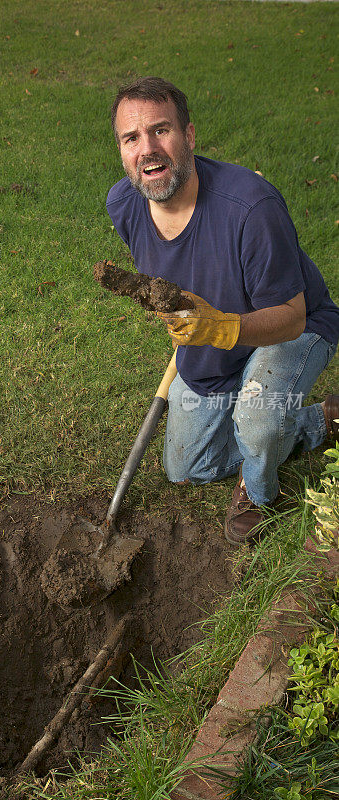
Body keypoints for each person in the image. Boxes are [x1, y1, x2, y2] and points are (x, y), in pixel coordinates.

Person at [106, 76, 339, 544]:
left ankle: (259, 490)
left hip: (293, 326)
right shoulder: (125, 204)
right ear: (121, 150)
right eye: (131, 138)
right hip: (215, 333)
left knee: (256, 420)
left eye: (160, 130)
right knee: (188, 466)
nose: (147, 148)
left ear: (189, 136)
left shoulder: (251, 207)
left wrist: (222, 327)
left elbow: (291, 316)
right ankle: (322, 420)